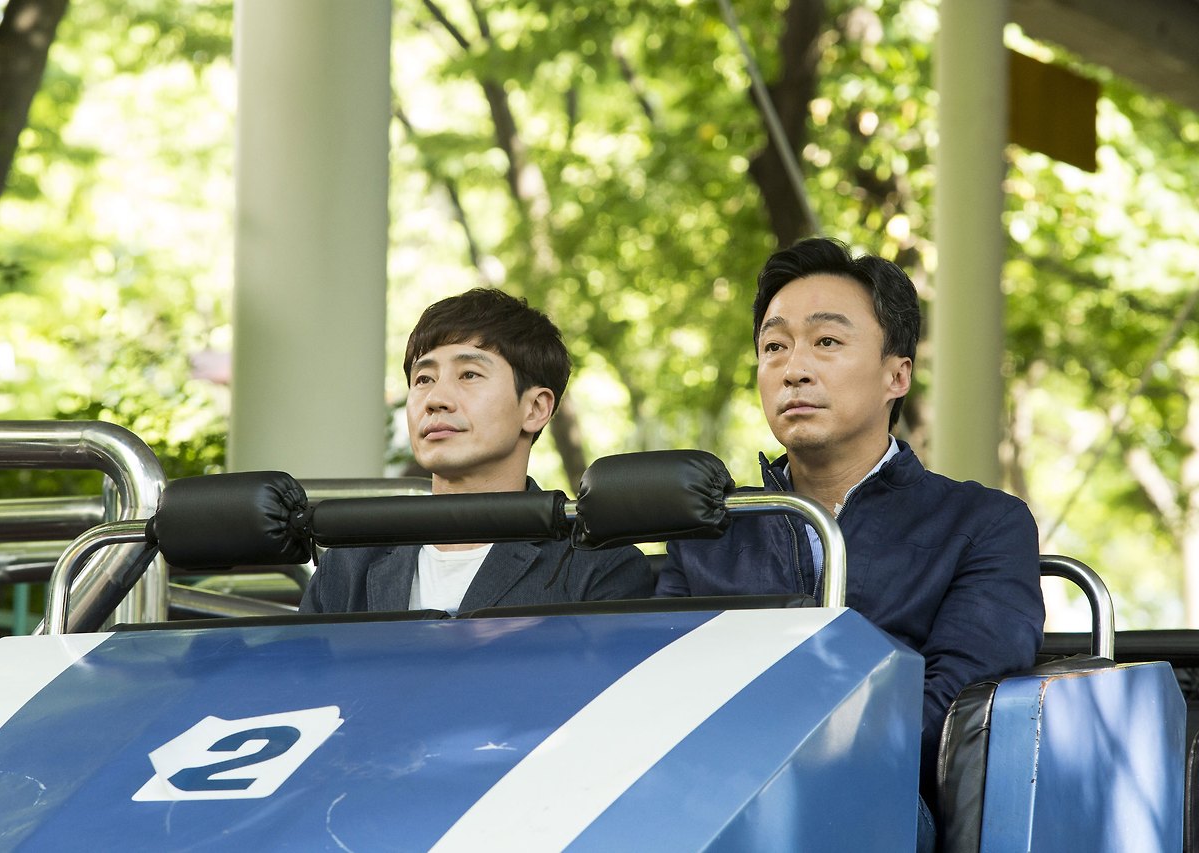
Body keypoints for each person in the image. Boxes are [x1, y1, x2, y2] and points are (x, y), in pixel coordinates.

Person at [655, 237, 1045, 847]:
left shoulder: (981, 524)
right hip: (707, 798)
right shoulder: (710, 531)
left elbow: (958, 707)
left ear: (897, 375)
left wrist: (792, 762)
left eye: (827, 342)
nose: (794, 369)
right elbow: (663, 692)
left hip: (882, 799)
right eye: (774, 347)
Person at [301, 287, 652, 615]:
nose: (435, 399)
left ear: (535, 408)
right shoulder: (348, 567)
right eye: (424, 379)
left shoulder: (596, 568)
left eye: (468, 375)